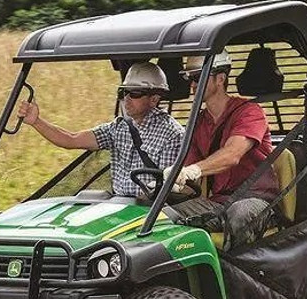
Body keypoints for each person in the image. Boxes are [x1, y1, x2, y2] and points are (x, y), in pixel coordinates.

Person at [166, 49, 279, 250]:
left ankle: (241, 277)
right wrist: (171, 180)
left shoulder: (250, 112)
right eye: (189, 78)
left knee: (239, 214)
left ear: (220, 79)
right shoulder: (198, 122)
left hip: (256, 200)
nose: (192, 85)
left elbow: (232, 154)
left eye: (197, 77)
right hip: (219, 203)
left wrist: (194, 170)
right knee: (163, 217)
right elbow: (189, 170)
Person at [17, 62, 184, 197]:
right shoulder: (119, 127)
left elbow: (165, 189)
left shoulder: (172, 134)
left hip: (150, 212)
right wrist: (36, 122)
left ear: (154, 99)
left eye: (135, 93)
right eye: (124, 92)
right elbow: (72, 139)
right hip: (117, 207)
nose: (127, 99)